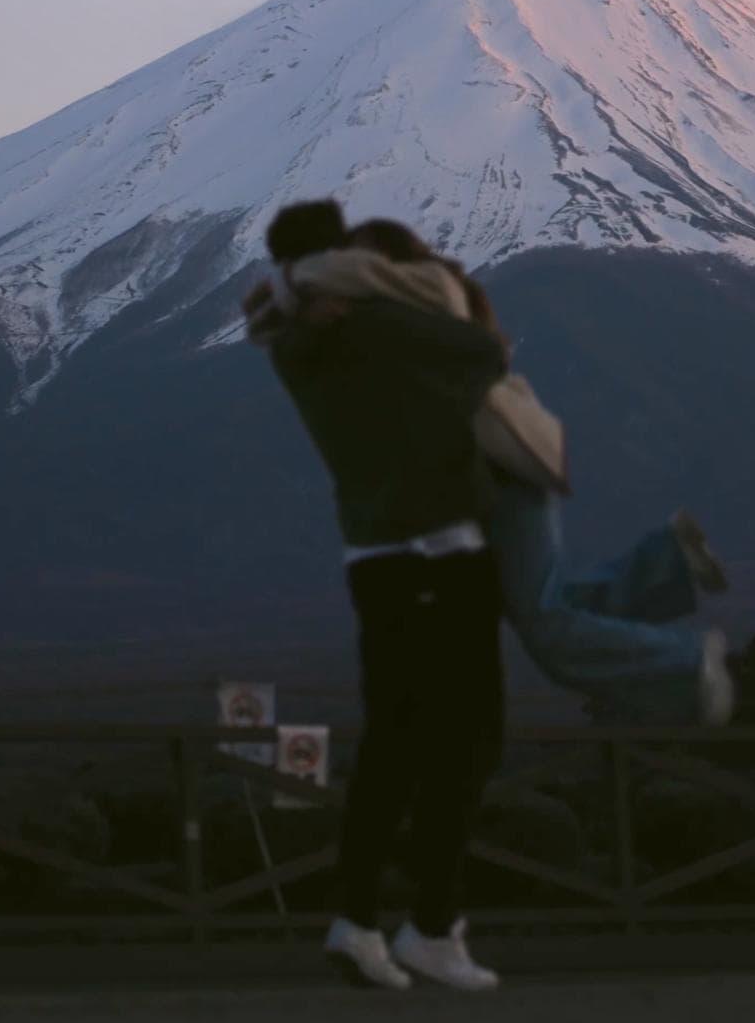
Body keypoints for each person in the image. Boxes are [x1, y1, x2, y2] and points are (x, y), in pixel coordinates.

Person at [253, 206, 735, 733]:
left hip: (498, 470)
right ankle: (670, 561)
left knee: (546, 628)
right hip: (499, 467)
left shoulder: (402, 304)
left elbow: (340, 287)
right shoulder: (421, 298)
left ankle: (687, 665)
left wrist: (290, 282)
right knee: (538, 602)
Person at [244, 199, 504, 993]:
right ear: (343, 260)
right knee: (467, 741)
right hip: (440, 551)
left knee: (393, 741)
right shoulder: (373, 327)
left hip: (375, 560)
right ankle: (430, 925)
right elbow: (482, 349)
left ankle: (360, 920)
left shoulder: (292, 344)